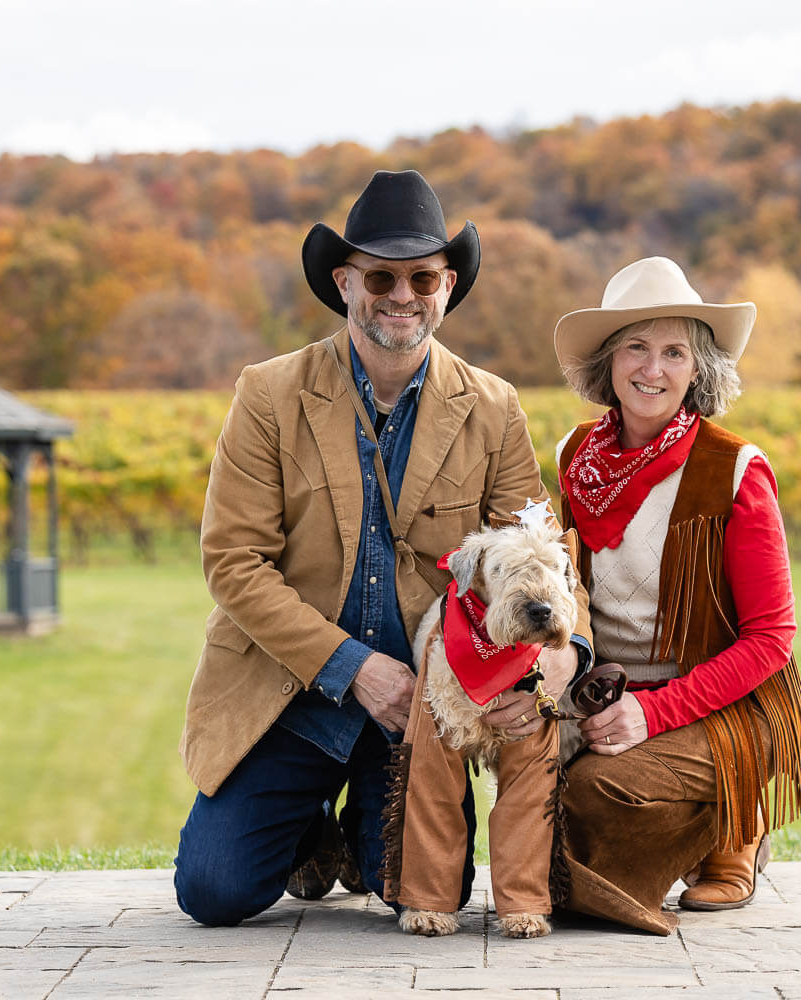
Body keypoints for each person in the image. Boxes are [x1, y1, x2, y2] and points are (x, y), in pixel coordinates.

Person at [173, 170, 590, 926]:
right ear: (344, 282)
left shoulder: (494, 408)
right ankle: (304, 825)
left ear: (446, 286)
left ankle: (350, 833)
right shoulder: (267, 394)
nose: (402, 294)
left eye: (422, 276)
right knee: (215, 891)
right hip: (291, 694)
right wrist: (353, 669)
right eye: (381, 276)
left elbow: (543, 550)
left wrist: (567, 652)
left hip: (421, 709)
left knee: (418, 891)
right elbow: (233, 562)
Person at [550, 256, 801, 936]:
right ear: (608, 363)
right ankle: (696, 834)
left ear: (698, 367)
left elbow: (772, 638)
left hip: (725, 708)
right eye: (636, 348)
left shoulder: (735, 469)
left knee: (592, 794)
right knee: (537, 798)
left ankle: (731, 822)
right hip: (606, 697)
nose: (654, 369)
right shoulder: (574, 456)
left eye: (674, 351)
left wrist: (653, 716)